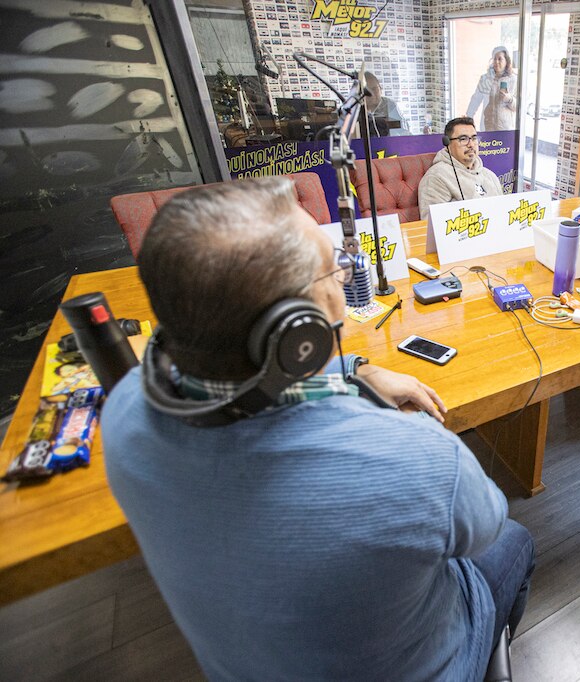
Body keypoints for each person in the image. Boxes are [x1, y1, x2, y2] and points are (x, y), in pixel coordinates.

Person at [101, 177, 535, 680]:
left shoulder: (123, 412)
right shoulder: (421, 459)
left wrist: (353, 370)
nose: (345, 279)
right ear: (297, 334)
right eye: (336, 268)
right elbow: (483, 526)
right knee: (514, 539)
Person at [418, 117, 503, 219]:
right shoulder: (436, 177)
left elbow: (502, 213)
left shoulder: (490, 176)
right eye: (463, 139)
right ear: (448, 144)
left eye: (474, 138)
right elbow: (433, 225)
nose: (471, 145)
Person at [465, 46, 517, 131]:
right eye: (494, 59)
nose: (496, 62)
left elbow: (519, 108)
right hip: (487, 126)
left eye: (500, 59)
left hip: (505, 129)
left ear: (506, 61)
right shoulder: (485, 79)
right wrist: (469, 117)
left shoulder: (513, 80)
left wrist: (509, 99)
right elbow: (475, 99)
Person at [362, 71, 410, 136]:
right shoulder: (357, 108)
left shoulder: (389, 105)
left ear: (380, 89)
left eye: (374, 89)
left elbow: (403, 130)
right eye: (367, 90)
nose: (371, 94)